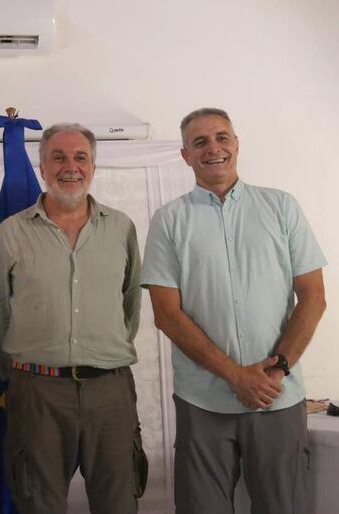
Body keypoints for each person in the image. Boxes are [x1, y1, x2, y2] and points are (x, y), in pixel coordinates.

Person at [141, 107, 326, 514]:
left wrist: (276, 369)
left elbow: (313, 296)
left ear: (237, 144)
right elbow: (167, 314)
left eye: (222, 137)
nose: (214, 148)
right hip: (202, 402)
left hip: (277, 397)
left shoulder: (282, 208)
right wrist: (236, 376)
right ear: (186, 155)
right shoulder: (168, 221)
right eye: (200, 142)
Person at [0, 123, 146, 514]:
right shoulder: (11, 233)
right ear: (42, 166)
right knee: (39, 504)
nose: (69, 167)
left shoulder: (121, 227)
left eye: (80, 157)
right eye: (58, 157)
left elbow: (130, 304)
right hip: (37, 390)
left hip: (110, 390)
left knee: (118, 503)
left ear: (93, 165)